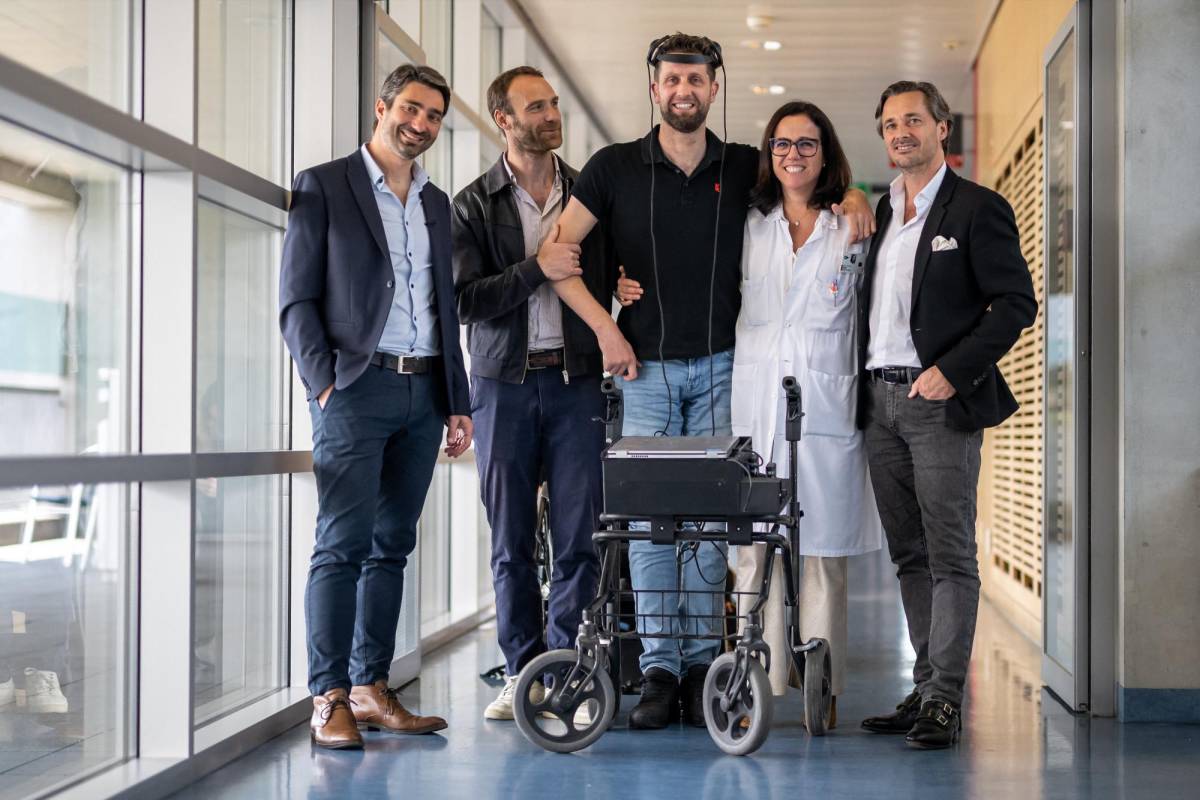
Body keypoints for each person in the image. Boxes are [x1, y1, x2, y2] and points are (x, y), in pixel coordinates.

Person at [548, 32, 875, 730]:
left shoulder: (747, 169)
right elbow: (555, 255)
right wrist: (606, 324)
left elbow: (808, 187)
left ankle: (702, 665)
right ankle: (661, 669)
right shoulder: (612, 168)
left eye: (695, 79)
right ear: (654, 88)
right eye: (671, 79)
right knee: (648, 523)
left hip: (726, 369)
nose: (683, 91)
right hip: (643, 370)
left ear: (714, 88)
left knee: (710, 522)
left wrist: (854, 202)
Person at [279, 64, 473, 750]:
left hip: (424, 392)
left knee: (393, 544)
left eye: (434, 116)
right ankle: (327, 696)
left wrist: (457, 400)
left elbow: (443, 309)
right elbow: (296, 297)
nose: (420, 124)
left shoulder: (435, 202)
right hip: (356, 389)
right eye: (412, 110)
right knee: (342, 543)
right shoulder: (325, 184)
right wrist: (323, 384)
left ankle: (370, 687)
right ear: (382, 106)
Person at [856, 81, 1036, 749]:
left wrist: (951, 371)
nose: (899, 132)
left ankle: (945, 700)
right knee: (909, 554)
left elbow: (1016, 304)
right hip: (878, 403)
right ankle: (927, 684)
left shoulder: (976, 209)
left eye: (911, 120)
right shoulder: (881, 213)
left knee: (950, 553)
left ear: (941, 127)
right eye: (888, 124)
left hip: (937, 404)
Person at [451, 66, 613, 721]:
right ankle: (522, 677)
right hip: (503, 388)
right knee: (511, 541)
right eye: (535, 106)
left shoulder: (588, 193)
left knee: (580, 538)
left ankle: (566, 675)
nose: (550, 114)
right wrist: (534, 270)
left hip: (576, 384)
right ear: (504, 121)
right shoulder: (471, 204)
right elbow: (465, 301)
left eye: (552, 103)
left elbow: (611, 270)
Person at [728, 101, 884, 727]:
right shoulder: (748, 224)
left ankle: (823, 688)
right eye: (781, 144)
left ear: (827, 154)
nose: (793, 155)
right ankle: (754, 687)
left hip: (825, 406)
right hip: (756, 404)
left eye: (807, 144)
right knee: (753, 554)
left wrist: (859, 195)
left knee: (821, 557)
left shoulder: (853, 225)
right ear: (769, 154)